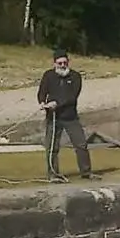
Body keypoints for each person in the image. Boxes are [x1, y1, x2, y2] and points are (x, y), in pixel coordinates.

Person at [37, 48, 92, 180]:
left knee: (81, 144)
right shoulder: (48, 75)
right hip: (53, 118)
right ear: (54, 63)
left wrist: (57, 104)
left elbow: (72, 97)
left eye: (64, 63)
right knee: (51, 148)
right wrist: (42, 102)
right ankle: (53, 174)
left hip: (70, 117)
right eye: (60, 63)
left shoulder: (75, 77)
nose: (62, 66)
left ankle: (86, 172)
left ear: (68, 62)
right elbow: (42, 92)